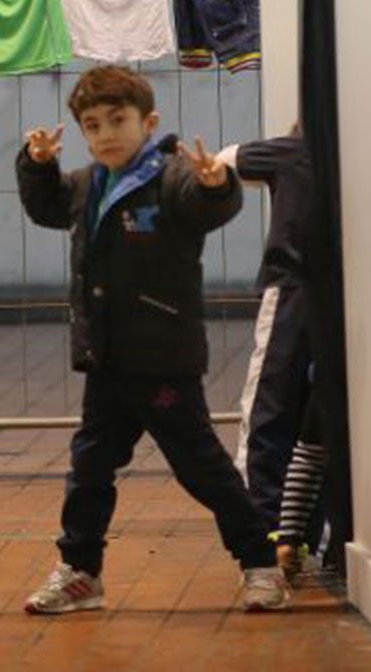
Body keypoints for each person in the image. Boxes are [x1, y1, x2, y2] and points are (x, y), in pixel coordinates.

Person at [16, 64, 289, 615]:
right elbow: (47, 209)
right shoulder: (87, 184)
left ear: (149, 121)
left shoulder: (171, 179)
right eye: (93, 126)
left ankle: (261, 563)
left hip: (163, 360)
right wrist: (38, 165)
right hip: (107, 360)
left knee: (201, 468)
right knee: (90, 466)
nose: (106, 134)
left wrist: (218, 183)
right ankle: (81, 572)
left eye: (118, 120)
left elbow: (206, 205)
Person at [227, 130, 318, 579]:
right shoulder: (362, 151)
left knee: (269, 408)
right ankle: (304, 533)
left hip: (290, 291)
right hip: (348, 288)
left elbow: (224, 162)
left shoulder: (290, 150)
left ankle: (266, 533)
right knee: (318, 420)